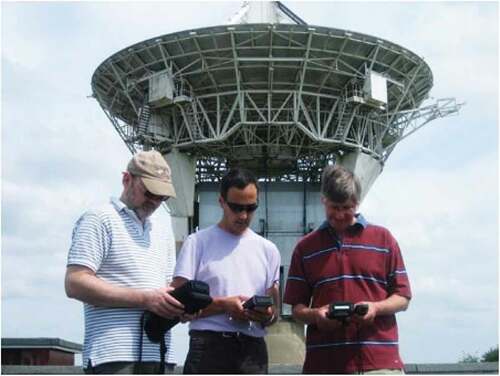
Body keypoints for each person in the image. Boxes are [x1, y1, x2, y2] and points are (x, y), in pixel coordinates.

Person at [284, 164, 412, 374]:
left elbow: (403, 297)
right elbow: (296, 309)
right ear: (323, 200)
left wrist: (375, 308)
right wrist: (317, 315)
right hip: (324, 365)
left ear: (357, 202)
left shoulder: (384, 240)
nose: (341, 214)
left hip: (378, 364)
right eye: (334, 207)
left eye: (347, 207)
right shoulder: (305, 248)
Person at [65, 150, 184, 374]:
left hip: (160, 355)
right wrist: (145, 299)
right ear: (126, 179)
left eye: (162, 196)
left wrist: (179, 306)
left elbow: (166, 287)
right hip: (112, 356)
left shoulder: (162, 229)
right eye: (149, 192)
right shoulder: (98, 219)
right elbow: (75, 282)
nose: (155, 201)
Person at [172, 167, 281, 374]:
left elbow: (274, 315)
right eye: (236, 208)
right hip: (208, 348)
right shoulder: (197, 243)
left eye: (251, 208)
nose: (243, 215)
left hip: (253, 351)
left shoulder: (269, 250)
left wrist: (265, 315)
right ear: (221, 202)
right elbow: (177, 306)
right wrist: (223, 305)